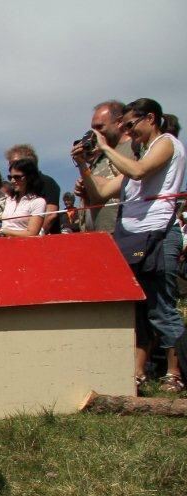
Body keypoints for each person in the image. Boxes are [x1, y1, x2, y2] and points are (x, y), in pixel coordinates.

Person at [74, 97, 186, 393]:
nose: (128, 131)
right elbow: (101, 194)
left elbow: (138, 172)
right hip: (132, 236)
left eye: (131, 124)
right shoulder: (138, 154)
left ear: (151, 118)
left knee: (162, 308)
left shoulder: (166, 142)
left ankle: (175, 373)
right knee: (140, 310)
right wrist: (84, 165)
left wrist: (106, 148)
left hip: (159, 234)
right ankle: (147, 371)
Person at [79, 101, 134, 233]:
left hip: (125, 230)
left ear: (120, 122)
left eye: (100, 127)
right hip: (100, 231)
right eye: (93, 129)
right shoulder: (99, 156)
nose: (95, 133)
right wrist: (81, 165)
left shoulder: (134, 147)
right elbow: (95, 195)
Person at [5, 144, 60, 234]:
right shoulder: (15, 190)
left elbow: (51, 214)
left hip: (45, 239)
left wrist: (38, 234)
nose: (10, 166)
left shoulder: (47, 182)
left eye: (14, 162)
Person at [0, 158, 47, 237]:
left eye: (17, 177)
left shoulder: (38, 202)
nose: (12, 181)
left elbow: (32, 233)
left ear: (29, 177)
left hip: (25, 246)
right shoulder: (8, 200)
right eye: (10, 177)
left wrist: (3, 231)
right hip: (5, 244)